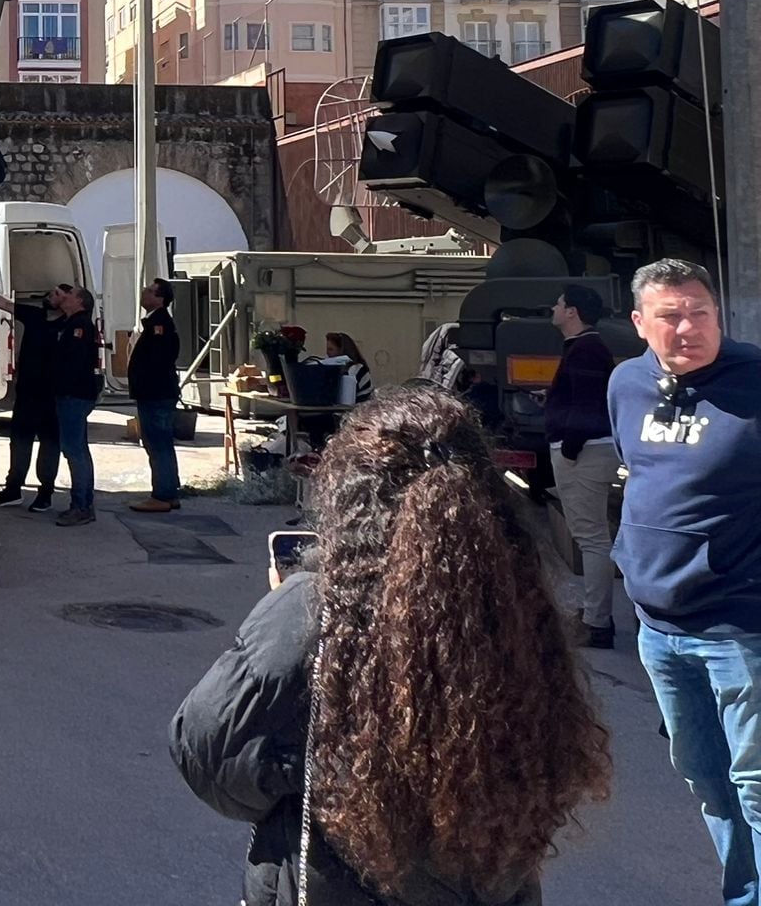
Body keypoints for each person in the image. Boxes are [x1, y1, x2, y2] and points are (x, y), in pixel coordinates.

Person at [172, 383, 609, 906]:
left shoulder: (314, 607)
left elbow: (210, 759)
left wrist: (312, 764)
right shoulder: (516, 605)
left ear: (352, 498)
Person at [611, 258, 761, 904]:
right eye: (670, 316)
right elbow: (639, 476)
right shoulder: (626, 384)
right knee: (707, 781)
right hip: (659, 633)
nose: (688, 327)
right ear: (641, 323)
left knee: (757, 786)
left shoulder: (754, 380)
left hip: (740, 629)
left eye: (700, 312)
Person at [543, 284, 620, 650]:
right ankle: (596, 615)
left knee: (591, 539)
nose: (554, 309)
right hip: (588, 447)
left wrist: (570, 448)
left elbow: (587, 406)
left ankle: (597, 622)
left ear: (572, 311)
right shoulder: (585, 347)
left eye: (559, 304)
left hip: (584, 451)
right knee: (591, 537)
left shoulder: (586, 348)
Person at [0, 284, 83, 514]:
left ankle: (45, 493)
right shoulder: (35, 315)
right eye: (50, 291)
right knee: (19, 441)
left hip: (52, 395)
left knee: (49, 445)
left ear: (66, 300)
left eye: (56, 294)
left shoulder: (70, 324)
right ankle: (13, 488)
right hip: (27, 391)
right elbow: (5, 304)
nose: (49, 295)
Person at [126, 278, 183, 514]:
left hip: (155, 394)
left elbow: (156, 361)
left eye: (149, 291)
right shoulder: (155, 322)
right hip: (156, 393)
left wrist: (142, 384)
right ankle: (168, 492)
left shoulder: (160, 324)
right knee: (161, 444)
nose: (143, 293)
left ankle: (162, 495)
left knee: (157, 443)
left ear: (159, 298)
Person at [49, 287, 104, 527]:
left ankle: (80, 506)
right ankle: (84, 503)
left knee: (74, 450)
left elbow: (71, 362)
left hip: (74, 395)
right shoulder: (73, 324)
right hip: (75, 394)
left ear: (79, 302)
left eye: (69, 295)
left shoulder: (79, 327)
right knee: (79, 449)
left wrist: (61, 385)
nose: (64, 298)